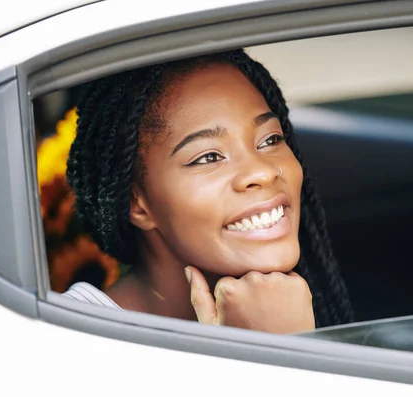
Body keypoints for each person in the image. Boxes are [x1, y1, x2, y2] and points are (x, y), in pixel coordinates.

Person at [63, 49, 354, 333]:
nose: (263, 171)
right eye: (209, 157)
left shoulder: (303, 307)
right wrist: (278, 347)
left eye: (270, 139)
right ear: (137, 204)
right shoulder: (71, 343)